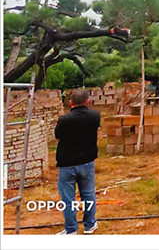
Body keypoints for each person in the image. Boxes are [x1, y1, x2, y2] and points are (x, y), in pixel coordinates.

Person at [54, 90, 101, 235]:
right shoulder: (95, 116)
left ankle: (71, 229)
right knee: (88, 194)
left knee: (68, 198)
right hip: (87, 162)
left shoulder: (64, 120)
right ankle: (89, 225)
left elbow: (57, 135)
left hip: (67, 163)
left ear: (70, 103)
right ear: (87, 102)